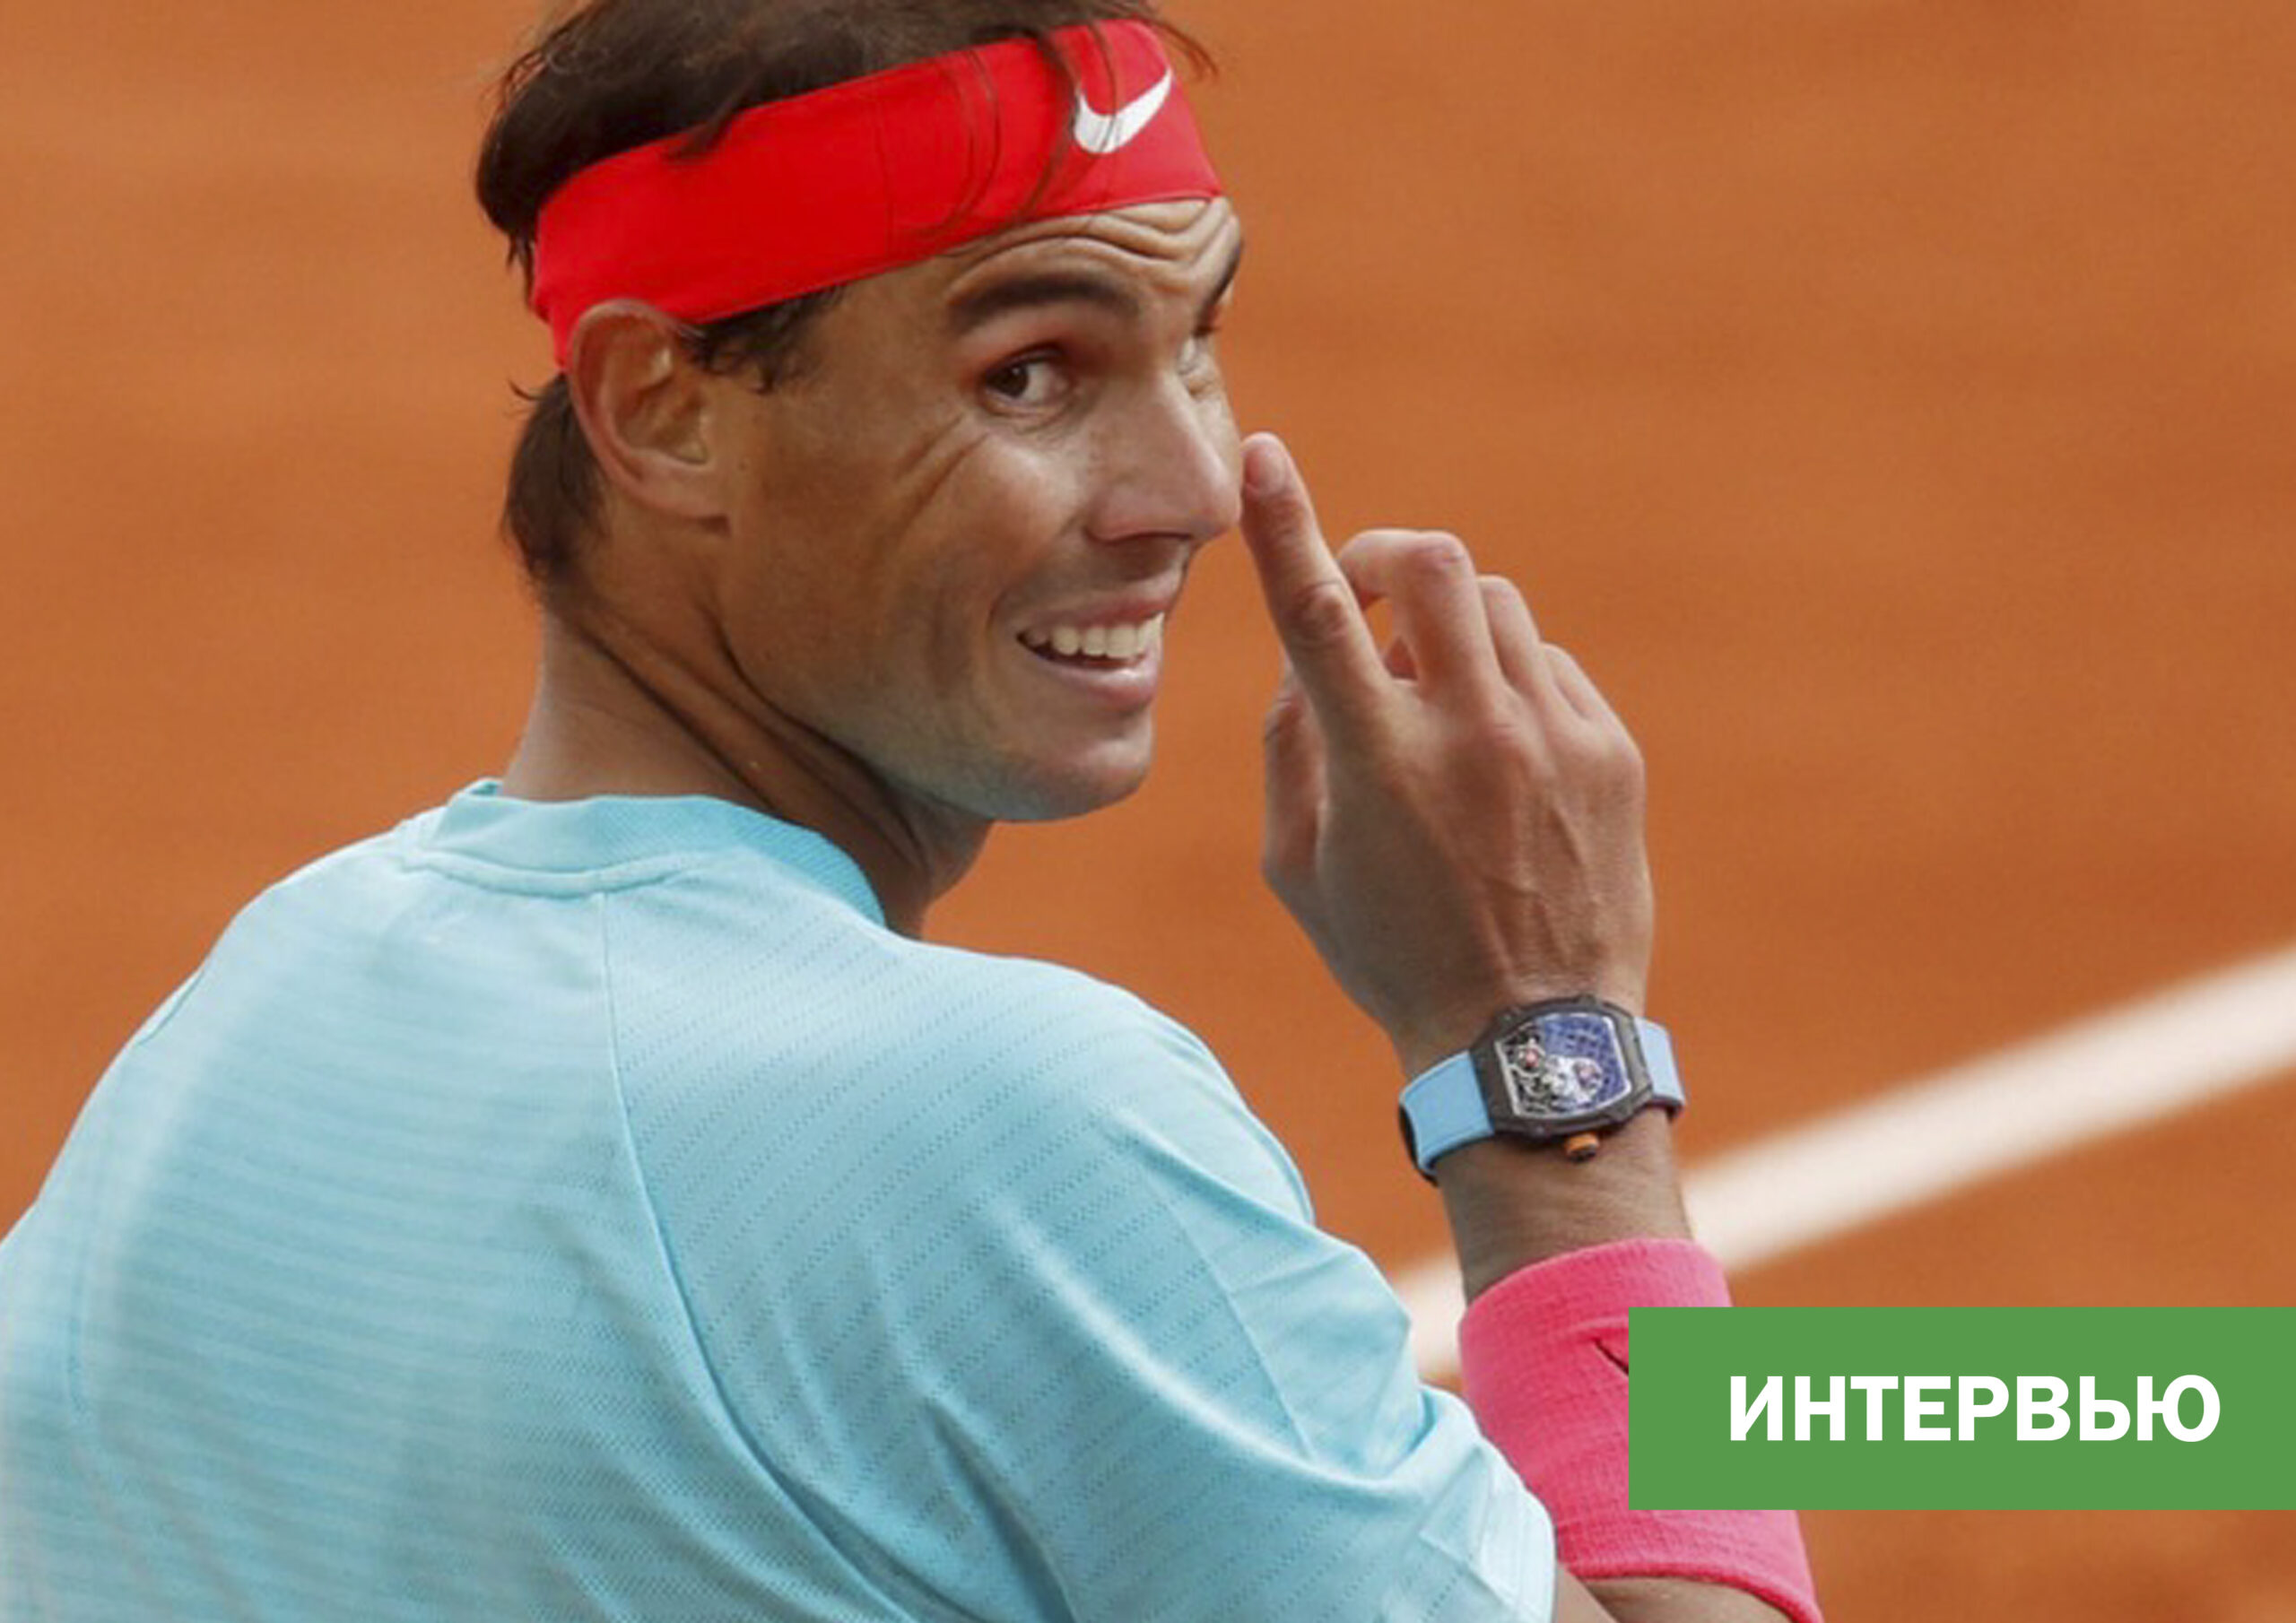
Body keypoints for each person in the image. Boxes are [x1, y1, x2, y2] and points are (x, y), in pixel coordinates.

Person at [0, 4, 1822, 1619]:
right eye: (1029, 372)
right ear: (663, 408)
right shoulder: (1013, 1127)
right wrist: (1541, 1061)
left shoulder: (230, 1038)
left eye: (1195, 338)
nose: (1192, 485)